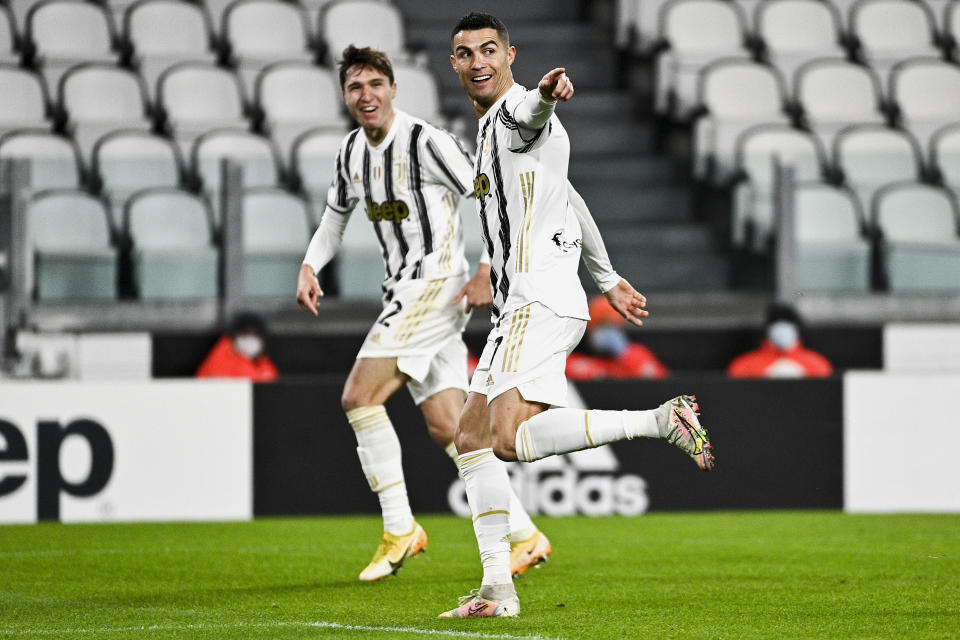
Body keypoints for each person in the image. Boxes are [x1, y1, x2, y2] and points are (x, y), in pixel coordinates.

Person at [439, 13, 716, 619]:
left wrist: (543, 93)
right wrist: (607, 275)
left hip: (537, 301)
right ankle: (496, 590)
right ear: (454, 62)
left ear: (511, 54)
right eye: (465, 53)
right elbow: (571, 197)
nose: (478, 60)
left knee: (496, 440)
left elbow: (529, 116)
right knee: (472, 439)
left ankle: (657, 421)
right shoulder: (486, 129)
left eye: (490, 49)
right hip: (529, 302)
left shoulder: (516, 115)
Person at [295, 45, 551, 583]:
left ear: (393, 88)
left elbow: (489, 193)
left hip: (434, 287)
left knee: (358, 397)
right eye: (354, 87)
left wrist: (486, 267)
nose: (366, 96)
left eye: (374, 84)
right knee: (452, 428)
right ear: (345, 97)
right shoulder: (350, 153)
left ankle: (399, 529)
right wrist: (309, 264)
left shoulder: (425, 140)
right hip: (405, 292)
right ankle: (525, 534)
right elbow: (334, 218)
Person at [566, 295, 669, 380]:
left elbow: (658, 378)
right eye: (602, 326)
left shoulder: (637, 354)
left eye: (614, 326)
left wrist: (625, 355)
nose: (608, 333)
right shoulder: (570, 360)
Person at [727, 302, 833, 378]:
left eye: (787, 326)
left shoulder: (816, 365)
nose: (782, 332)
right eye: (777, 326)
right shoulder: (744, 366)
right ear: (767, 330)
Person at [196, 312, 279, 382]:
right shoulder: (219, 361)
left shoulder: (263, 364)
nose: (249, 339)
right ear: (234, 336)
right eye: (245, 334)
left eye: (255, 334)